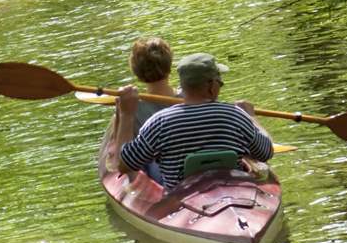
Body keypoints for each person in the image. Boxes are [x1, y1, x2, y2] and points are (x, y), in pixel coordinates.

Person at [107, 53, 275, 191]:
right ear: (211, 86)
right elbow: (266, 152)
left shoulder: (159, 123)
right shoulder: (236, 115)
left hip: (181, 197)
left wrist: (126, 114)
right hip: (235, 192)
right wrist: (252, 117)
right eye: (219, 80)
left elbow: (124, 165)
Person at [126, 37, 177, 129]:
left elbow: (115, 143)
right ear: (169, 63)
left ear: (136, 71)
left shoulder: (131, 110)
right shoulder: (193, 97)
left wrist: (121, 115)